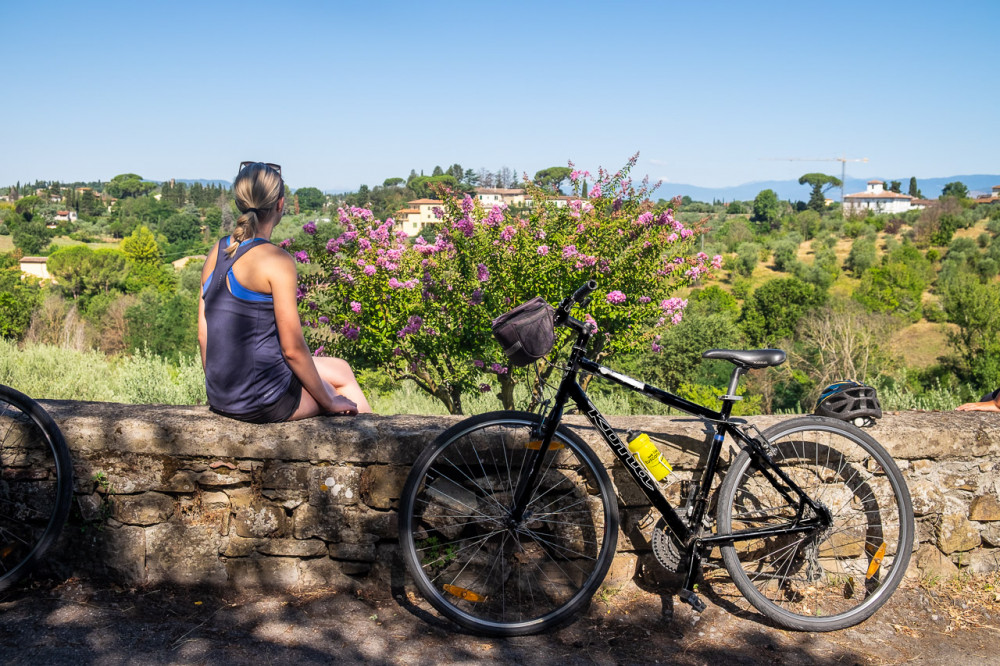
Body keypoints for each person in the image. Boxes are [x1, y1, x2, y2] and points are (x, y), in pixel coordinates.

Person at [198, 161, 371, 422]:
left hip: (222, 394)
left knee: (341, 369)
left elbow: (204, 335)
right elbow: (292, 349)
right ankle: (367, 446)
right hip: (263, 400)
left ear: (239, 203)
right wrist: (329, 401)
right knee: (342, 391)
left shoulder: (218, 250)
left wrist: (221, 393)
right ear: (280, 204)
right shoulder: (277, 261)